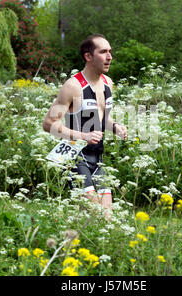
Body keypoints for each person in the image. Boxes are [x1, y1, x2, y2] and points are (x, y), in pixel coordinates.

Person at [43, 34, 127, 219]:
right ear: (88, 56)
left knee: (107, 217)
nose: (109, 57)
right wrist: (83, 136)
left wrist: (115, 127)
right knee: (94, 214)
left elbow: (104, 116)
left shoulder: (108, 83)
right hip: (76, 158)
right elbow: (48, 124)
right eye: (103, 52)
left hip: (97, 157)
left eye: (110, 52)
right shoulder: (73, 86)